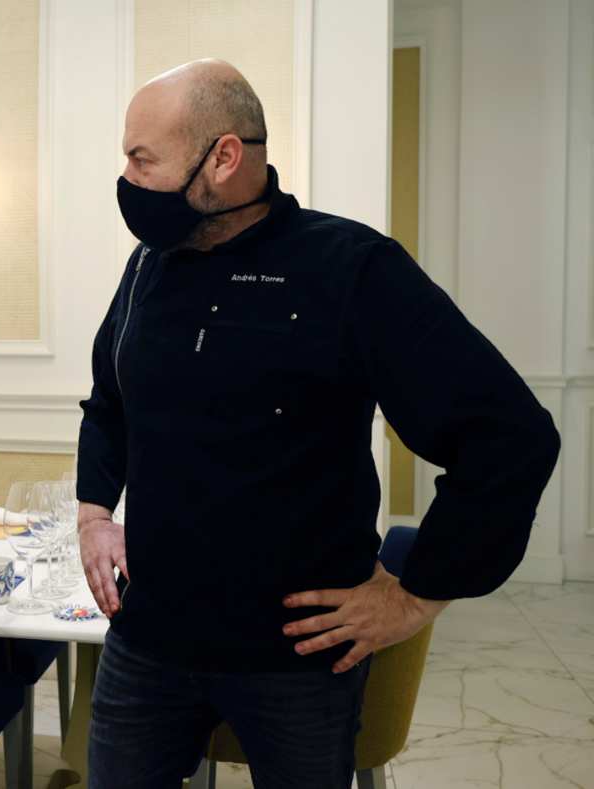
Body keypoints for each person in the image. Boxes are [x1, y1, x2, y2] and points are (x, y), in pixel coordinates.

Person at [76, 60, 561, 789]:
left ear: (225, 156)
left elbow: (511, 435)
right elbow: (109, 399)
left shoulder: (352, 267)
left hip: (296, 661)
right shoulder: (148, 268)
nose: (127, 178)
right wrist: (92, 509)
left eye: (142, 159)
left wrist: (414, 595)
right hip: (149, 644)